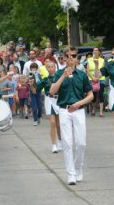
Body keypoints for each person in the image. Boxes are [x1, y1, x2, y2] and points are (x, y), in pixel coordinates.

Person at [50, 47, 93, 185]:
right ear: (64, 58)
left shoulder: (82, 75)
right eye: (68, 56)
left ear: (77, 58)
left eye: (74, 56)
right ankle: (71, 174)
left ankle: (78, 167)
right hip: (64, 110)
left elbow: (90, 95)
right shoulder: (58, 74)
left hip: (78, 110)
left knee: (81, 143)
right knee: (67, 143)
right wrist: (63, 76)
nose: (71, 58)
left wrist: (79, 103)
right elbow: (52, 91)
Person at [36, 61, 62, 153]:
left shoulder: (60, 77)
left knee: (59, 124)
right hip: (49, 100)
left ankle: (60, 141)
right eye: (49, 67)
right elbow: (35, 90)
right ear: (47, 69)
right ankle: (53, 145)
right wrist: (31, 84)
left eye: (52, 67)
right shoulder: (45, 79)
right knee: (52, 123)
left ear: (55, 67)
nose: (51, 68)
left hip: (58, 100)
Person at [86, 47, 105, 117]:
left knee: (101, 94)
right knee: (93, 95)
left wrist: (98, 78)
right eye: (94, 50)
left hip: (100, 79)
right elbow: (87, 70)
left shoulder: (102, 60)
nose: (95, 51)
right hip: (91, 79)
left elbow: (103, 71)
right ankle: (93, 109)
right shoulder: (89, 60)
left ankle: (101, 112)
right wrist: (93, 78)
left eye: (96, 50)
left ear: (99, 52)